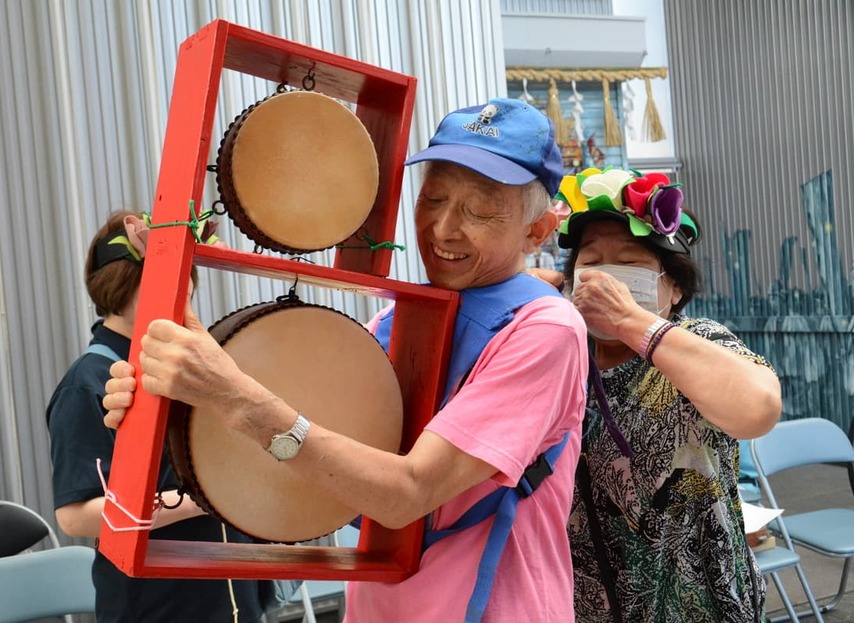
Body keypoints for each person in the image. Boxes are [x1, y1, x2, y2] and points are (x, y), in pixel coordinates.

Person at [102, 99, 589, 622]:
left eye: (478, 210)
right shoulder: (391, 324)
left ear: (537, 231)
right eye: (434, 199)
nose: (444, 229)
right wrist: (178, 402)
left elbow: (408, 493)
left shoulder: (544, 332)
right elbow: (313, 453)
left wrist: (231, 393)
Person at [554, 167, 782, 622]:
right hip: (584, 603)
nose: (605, 277)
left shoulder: (696, 340)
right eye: (591, 261)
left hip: (698, 602)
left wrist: (631, 321)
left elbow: (758, 408)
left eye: (631, 262)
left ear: (673, 287)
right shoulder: (563, 359)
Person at [45, 210, 266, 623]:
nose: (179, 289)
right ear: (123, 284)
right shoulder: (87, 383)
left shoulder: (190, 366)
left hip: (230, 595)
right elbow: (75, 515)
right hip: (157, 605)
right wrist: (205, 496)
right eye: (163, 274)